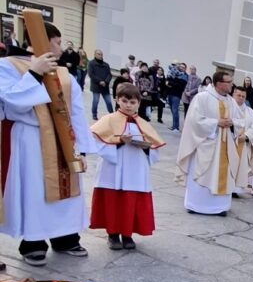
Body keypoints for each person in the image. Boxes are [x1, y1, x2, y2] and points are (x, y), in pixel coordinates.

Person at [0, 21, 94, 265]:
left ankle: (66, 238)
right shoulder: (7, 65)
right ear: (42, 39)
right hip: (31, 138)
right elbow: (11, 101)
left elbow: (76, 111)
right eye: (58, 42)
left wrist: (81, 148)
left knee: (68, 190)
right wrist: (34, 72)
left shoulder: (65, 73)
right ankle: (33, 242)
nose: (61, 49)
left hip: (63, 139)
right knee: (36, 190)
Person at [90, 83, 163, 250]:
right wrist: (119, 142)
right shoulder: (108, 120)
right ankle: (113, 235)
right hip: (114, 168)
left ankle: (128, 234)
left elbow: (154, 148)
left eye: (132, 102)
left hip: (135, 167)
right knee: (113, 199)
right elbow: (97, 143)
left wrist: (147, 148)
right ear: (117, 100)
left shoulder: (143, 123)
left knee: (131, 200)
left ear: (139, 103)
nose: (128, 105)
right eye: (124, 101)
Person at [176, 69, 238, 216]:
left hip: (225, 146)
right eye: (228, 82)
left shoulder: (230, 101)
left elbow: (240, 121)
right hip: (206, 144)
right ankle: (196, 205)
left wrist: (232, 123)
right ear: (219, 84)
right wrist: (216, 123)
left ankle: (220, 207)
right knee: (202, 172)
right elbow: (194, 121)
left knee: (221, 173)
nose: (231, 85)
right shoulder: (202, 98)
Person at [230, 84, 253, 195]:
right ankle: (226, 185)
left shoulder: (250, 111)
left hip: (243, 143)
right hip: (230, 141)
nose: (240, 98)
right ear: (233, 94)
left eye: (243, 96)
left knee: (240, 166)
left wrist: (246, 136)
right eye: (238, 95)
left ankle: (236, 189)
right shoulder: (228, 107)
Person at [87, 48, 113, 119]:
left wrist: (106, 81)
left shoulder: (106, 64)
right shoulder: (91, 63)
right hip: (96, 86)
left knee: (108, 101)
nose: (100, 56)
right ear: (95, 54)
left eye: (101, 54)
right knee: (96, 101)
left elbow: (109, 75)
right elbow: (91, 74)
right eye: (99, 54)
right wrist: (100, 81)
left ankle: (112, 114)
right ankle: (94, 114)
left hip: (105, 86)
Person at [165, 61, 188, 132]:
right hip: (170, 93)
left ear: (185, 69)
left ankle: (176, 128)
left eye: (183, 67)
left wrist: (171, 83)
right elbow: (168, 80)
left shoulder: (184, 76)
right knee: (172, 110)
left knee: (175, 111)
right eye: (180, 66)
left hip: (176, 95)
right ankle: (174, 126)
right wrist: (170, 82)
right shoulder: (175, 73)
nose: (181, 68)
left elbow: (180, 86)